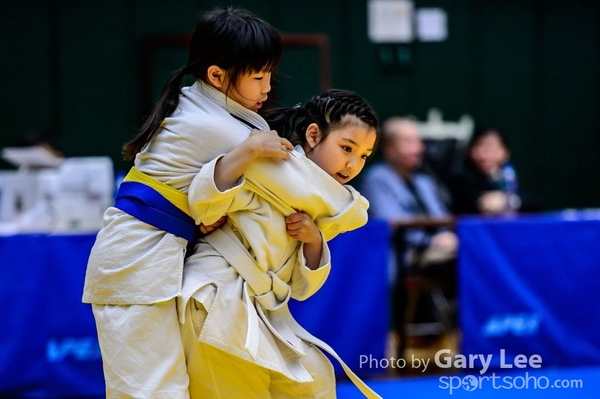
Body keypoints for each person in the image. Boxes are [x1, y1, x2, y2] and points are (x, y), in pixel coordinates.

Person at [82, 7, 286, 397]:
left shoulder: (198, 103)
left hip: (146, 261)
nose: (267, 87)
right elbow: (288, 179)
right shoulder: (215, 126)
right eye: (259, 76)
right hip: (135, 266)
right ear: (216, 75)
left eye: (269, 75)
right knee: (151, 391)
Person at [179, 89, 382, 398]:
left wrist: (314, 241)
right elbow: (203, 202)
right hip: (215, 295)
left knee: (314, 383)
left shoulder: (327, 208)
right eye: (346, 148)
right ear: (314, 135)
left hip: (261, 308)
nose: (353, 163)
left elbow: (302, 289)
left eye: (364, 156)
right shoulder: (268, 162)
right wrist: (246, 153)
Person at [359, 116, 457, 345]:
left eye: (419, 142)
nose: (419, 148)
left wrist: (444, 236)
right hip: (405, 254)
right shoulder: (377, 179)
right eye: (409, 142)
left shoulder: (424, 181)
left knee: (473, 255)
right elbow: (391, 222)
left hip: (439, 249)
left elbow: (441, 218)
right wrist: (433, 241)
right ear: (390, 148)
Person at [450, 126, 522, 215]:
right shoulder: (461, 178)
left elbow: (533, 202)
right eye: (481, 147)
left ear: (506, 153)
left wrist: (507, 201)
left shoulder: (509, 176)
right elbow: (468, 202)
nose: (485, 155)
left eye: (492, 148)